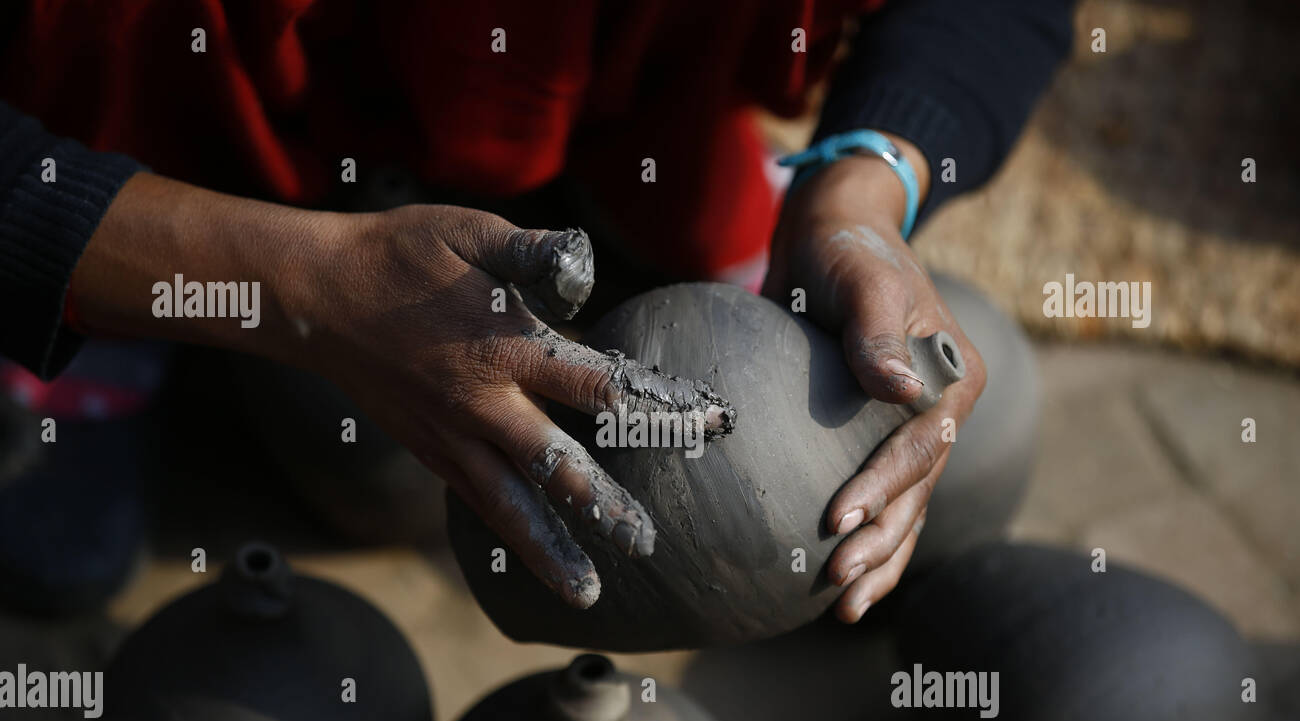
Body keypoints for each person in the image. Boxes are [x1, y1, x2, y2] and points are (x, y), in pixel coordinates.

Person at [0, 1, 1072, 621]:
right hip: (204, 62)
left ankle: (661, 189)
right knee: (382, 476)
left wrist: (865, 183)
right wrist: (307, 288)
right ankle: (116, 316)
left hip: (612, 61)